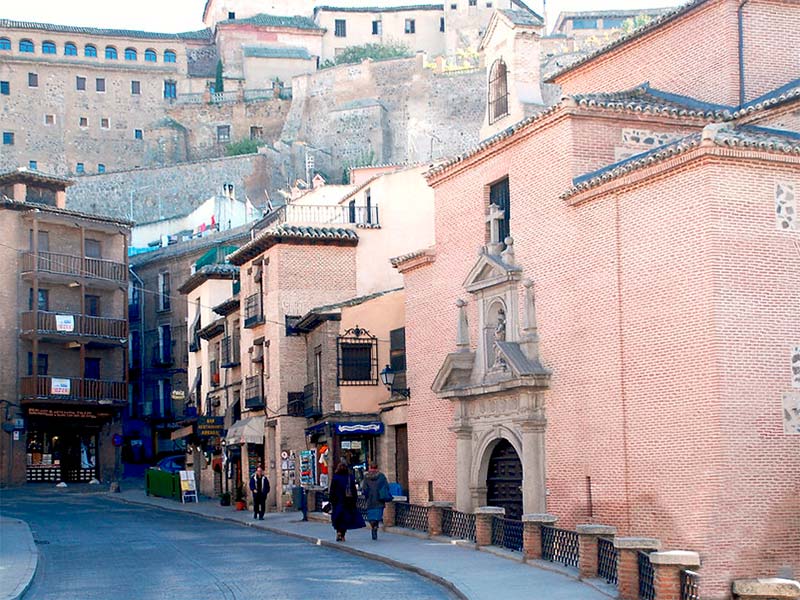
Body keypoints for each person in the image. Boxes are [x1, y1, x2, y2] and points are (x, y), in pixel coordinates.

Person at [328, 462, 365, 542]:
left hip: (337, 502)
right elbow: (354, 490)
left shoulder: (335, 478)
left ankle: (338, 532)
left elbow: (332, 490)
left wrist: (331, 500)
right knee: (345, 519)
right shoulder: (350, 478)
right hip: (348, 502)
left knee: (338, 518)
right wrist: (354, 500)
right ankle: (342, 534)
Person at [361, 462, 391, 540]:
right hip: (379, 499)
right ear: (377, 468)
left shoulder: (366, 477)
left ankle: (373, 525)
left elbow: (364, 488)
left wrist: (366, 495)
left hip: (370, 500)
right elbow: (386, 486)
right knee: (377, 516)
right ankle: (375, 525)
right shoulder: (381, 476)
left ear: (370, 467)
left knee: (371, 516)